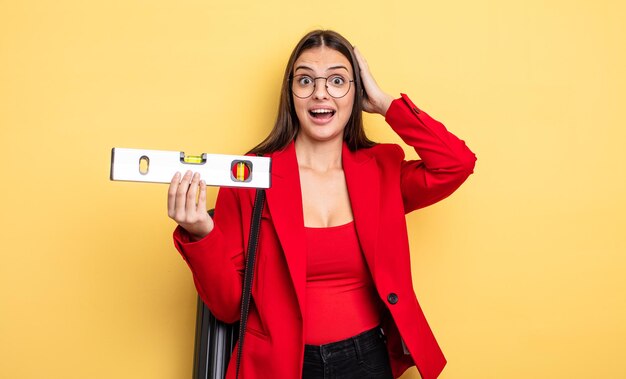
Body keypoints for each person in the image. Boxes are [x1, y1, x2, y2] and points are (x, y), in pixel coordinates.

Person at [167, 30, 476, 379]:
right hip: (280, 365)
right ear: (291, 93)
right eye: (305, 80)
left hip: (367, 360)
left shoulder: (382, 169)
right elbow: (227, 307)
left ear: (356, 92)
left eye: (337, 80)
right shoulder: (251, 176)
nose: (320, 93)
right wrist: (201, 233)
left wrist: (386, 104)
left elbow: (456, 163)